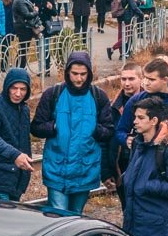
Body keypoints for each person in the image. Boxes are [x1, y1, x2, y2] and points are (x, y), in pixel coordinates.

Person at [32, 51, 114, 214]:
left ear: (89, 73)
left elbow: (109, 130)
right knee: (59, 214)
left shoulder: (98, 97)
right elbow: (36, 127)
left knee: (75, 215)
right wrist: (54, 127)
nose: (79, 79)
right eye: (75, 74)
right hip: (57, 168)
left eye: (83, 74)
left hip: (85, 169)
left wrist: (94, 129)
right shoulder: (53, 94)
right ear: (67, 72)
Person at [121, 96, 168, 236]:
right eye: (135, 117)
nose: (135, 121)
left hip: (156, 230)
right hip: (134, 223)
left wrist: (147, 185)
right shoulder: (137, 144)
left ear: (153, 120)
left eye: (140, 118)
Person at [0, 68, 34, 201]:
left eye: (23, 89)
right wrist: (15, 155)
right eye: (14, 88)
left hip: (16, 177)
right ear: (7, 86)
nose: (18, 93)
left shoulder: (24, 109)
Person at [116, 56, 168, 147]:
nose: (146, 83)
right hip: (141, 156)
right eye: (145, 78)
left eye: (152, 79)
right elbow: (120, 131)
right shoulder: (136, 100)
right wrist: (126, 139)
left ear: (165, 80)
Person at [104, 62, 143, 195]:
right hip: (121, 164)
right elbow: (106, 138)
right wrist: (106, 172)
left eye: (131, 79)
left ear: (141, 79)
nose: (127, 83)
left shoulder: (151, 102)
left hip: (144, 162)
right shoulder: (114, 107)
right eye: (123, 79)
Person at [10, 0, 41, 70]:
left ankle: (21, 67)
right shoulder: (19, 1)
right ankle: (20, 68)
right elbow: (27, 14)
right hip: (23, 27)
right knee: (23, 49)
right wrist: (35, 11)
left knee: (24, 49)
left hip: (25, 27)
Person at [30, 0, 56, 70]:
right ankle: (41, 68)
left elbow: (55, 13)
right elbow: (28, 8)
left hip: (47, 26)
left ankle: (47, 67)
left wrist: (51, 8)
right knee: (39, 48)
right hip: (37, 27)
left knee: (46, 47)